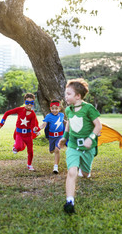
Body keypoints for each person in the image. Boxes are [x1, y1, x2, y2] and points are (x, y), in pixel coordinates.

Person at [58, 78, 102, 214]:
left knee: (85, 172)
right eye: (66, 94)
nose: (66, 96)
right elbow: (69, 123)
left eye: (69, 94)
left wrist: (91, 138)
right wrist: (64, 137)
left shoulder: (88, 108)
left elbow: (98, 126)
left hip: (88, 147)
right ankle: (69, 201)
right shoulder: (68, 109)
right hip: (72, 145)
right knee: (72, 172)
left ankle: (86, 171)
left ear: (78, 96)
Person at [0, 93, 40, 171]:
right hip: (19, 134)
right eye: (27, 102)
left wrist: (36, 130)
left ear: (33, 103)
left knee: (30, 151)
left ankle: (29, 165)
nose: (29, 104)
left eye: (31, 103)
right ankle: (16, 146)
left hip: (28, 135)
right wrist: (1, 123)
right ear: (24, 102)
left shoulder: (33, 114)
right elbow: (7, 113)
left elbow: (33, 125)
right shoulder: (20, 110)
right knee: (19, 147)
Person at [38, 99, 65, 174]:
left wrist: (69, 123)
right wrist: (38, 129)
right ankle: (52, 149)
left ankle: (55, 167)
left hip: (60, 136)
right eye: (52, 108)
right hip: (51, 137)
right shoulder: (48, 116)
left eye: (56, 108)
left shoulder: (61, 115)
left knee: (57, 150)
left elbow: (63, 121)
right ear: (50, 109)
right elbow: (44, 124)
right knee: (51, 151)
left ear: (59, 108)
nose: (54, 110)